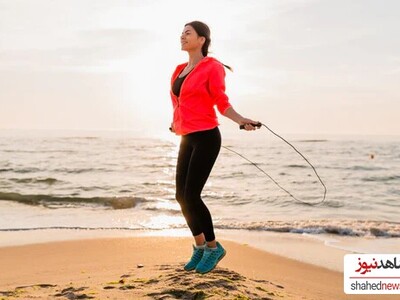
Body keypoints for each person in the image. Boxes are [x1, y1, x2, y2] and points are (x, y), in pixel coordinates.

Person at [169, 20, 260, 274]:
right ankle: (199, 248)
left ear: (202, 40)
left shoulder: (212, 67)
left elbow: (220, 100)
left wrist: (241, 120)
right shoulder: (178, 70)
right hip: (187, 136)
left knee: (192, 195)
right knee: (180, 196)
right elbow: (179, 103)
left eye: (188, 33)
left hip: (207, 136)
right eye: (181, 33)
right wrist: (175, 124)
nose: (182, 36)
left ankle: (213, 247)